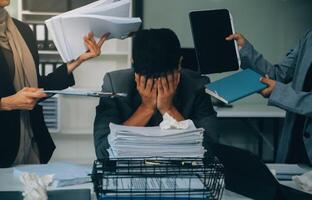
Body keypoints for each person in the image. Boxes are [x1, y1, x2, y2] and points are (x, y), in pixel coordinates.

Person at [0, 0, 107, 167]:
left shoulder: (23, 31)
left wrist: (79, 59)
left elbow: (36, 88)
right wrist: (6, 103)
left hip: (30, 147)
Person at [93, 28, 218, 159]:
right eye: (148, 81)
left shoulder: (196, 85)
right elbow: (103, 152)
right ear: (133, 65)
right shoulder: (115, 84)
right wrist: (146, 108)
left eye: (165, 80)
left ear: (179, 65)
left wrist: (168, 109)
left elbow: (209, 151)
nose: (157, 88)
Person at [226, 30, 312, 164]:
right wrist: (245, 50)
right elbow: (276, 75)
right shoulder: (309, 36)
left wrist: (279, 92)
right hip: (296, 141)